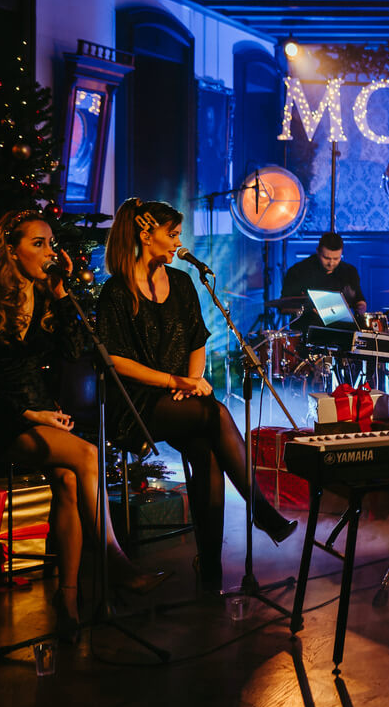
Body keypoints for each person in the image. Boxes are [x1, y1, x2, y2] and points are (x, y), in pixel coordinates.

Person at [0, 210, 168, 638]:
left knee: (68, 479)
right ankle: (115, 562)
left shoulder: (45, 296)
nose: (50, 252)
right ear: (10, 250)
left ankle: (67, 599)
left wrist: (62, 293)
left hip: (41, 417)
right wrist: (28, 414)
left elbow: (72, 350)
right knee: (86, 454)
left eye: (51, 243)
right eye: (38, 244)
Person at [96, 198, 296, 594]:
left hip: (179, 398)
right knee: (215, 414)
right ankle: (260, 511)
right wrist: (177, 382)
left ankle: (211, 572)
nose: (178, 242)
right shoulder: (116, 291)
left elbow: (197, 340)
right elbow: (114, 360)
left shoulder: (183, 283)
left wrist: (190, 380)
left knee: (207, 451)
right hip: (135, 403)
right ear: (145, 235)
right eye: (171, 234)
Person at [280, 231, 366, 322]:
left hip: (340, 325)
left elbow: (359, 299)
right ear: (318, 251)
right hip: (308, 324)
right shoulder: (298, 271)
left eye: (336, 258)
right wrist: (308, 310)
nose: (331, 263)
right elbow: (284, 307)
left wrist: (361, 306)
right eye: (326, 258)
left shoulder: (349, 271)